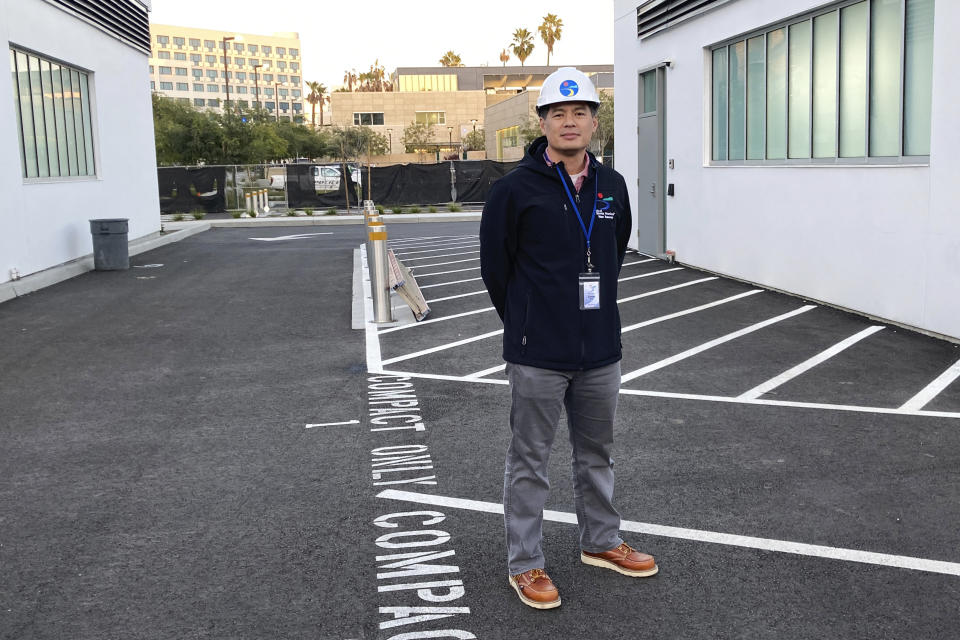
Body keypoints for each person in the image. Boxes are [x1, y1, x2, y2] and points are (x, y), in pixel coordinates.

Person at [479, 68, 658, 610]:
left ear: (594, 120)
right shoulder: (513, 191)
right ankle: (526, 563)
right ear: (543, 122)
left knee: (597, 453)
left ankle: (601, 542)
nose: (569, 121)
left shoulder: (613, 186)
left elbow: (613, 252)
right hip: (539, 354)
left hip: (601, 350)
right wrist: (529, 322)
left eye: (579, 111)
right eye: (558, 112)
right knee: (530, 460)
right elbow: (496, 270)